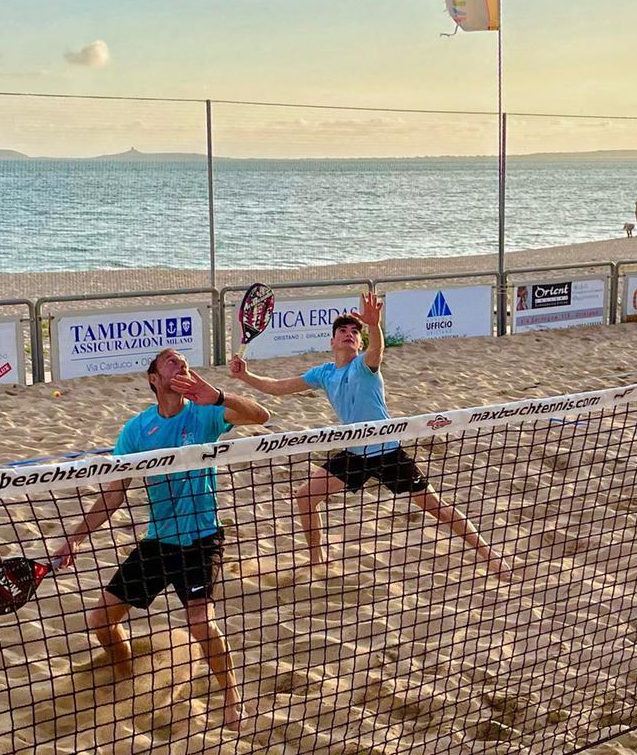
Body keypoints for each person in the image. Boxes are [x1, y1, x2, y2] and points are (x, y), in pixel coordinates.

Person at [53, 349, 269, 731]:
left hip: (201, 537)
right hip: (159, 540)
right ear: (153, 378)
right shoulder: (137, 430)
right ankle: (125, 672)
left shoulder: (203, 412)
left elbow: (260, 416)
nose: (180, 364)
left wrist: (217, 395)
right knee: (101, 620)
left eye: (184, 362)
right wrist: (75, 539)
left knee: (200, 622)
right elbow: (114, 493)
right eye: (171, 361)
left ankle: (232, 694)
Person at [230, 292, 511, 578]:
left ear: (360, 343)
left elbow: (378, 349)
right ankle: (317, 558)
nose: (349, 335)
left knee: (435, 508)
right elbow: (279, 387)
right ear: (332, 341)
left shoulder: (365, 365)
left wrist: (374, 326)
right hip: (354, 453)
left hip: (387, 452)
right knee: (305, 498)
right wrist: (245, 376)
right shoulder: (324, 373)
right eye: (342, 331)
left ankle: (489, 554)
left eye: (355, 332)